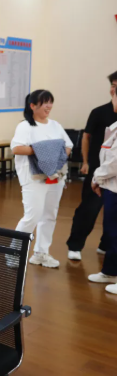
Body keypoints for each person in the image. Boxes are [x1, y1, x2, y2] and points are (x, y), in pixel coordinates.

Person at [11, 90, 73, 268]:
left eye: (50, 102)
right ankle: (13, 253)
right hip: (33, 178)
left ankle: (41, 253)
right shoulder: (25, 126)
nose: (49, 106)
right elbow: (17, 148)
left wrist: (54, 159)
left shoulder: (55, 125)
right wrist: (45, 151)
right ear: (32, 106)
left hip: (55, 176)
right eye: (45, 102)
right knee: (32, 216)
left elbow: (68, 146)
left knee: (49, 215)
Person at [67, 72, 117, 261]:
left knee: (113, 212)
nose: (114, 89)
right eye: (113, 85)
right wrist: (86, 162)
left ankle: (106, 245)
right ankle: (75, 245)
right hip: (98, 170)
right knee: (89, 208)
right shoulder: (99, 112)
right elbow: (86, 137)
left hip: (115, 173)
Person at [88, 91, 117, 294]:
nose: (112, 99)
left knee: (115, 232)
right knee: (111, 231)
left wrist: (97, 178)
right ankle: (110, 271)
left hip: (114, 187)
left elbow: (114, 163)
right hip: (111, 186)